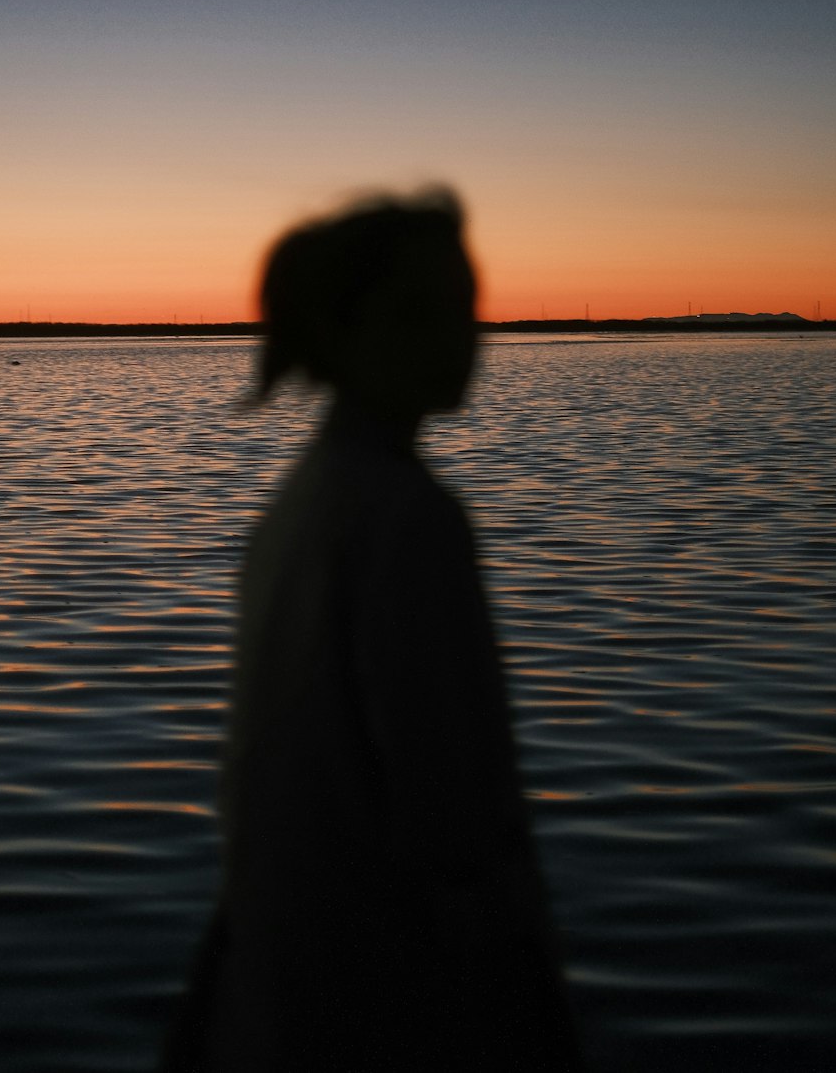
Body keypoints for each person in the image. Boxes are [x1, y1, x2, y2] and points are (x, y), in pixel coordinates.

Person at [160, 189, 584, 1071]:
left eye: (469, 305)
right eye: (422, 311)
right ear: (344, 332)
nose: (464, 334)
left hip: (286, 995)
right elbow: (454, 819)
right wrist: (531, 1016)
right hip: (387, 1007)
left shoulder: (299, 508)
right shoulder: (405, 517)